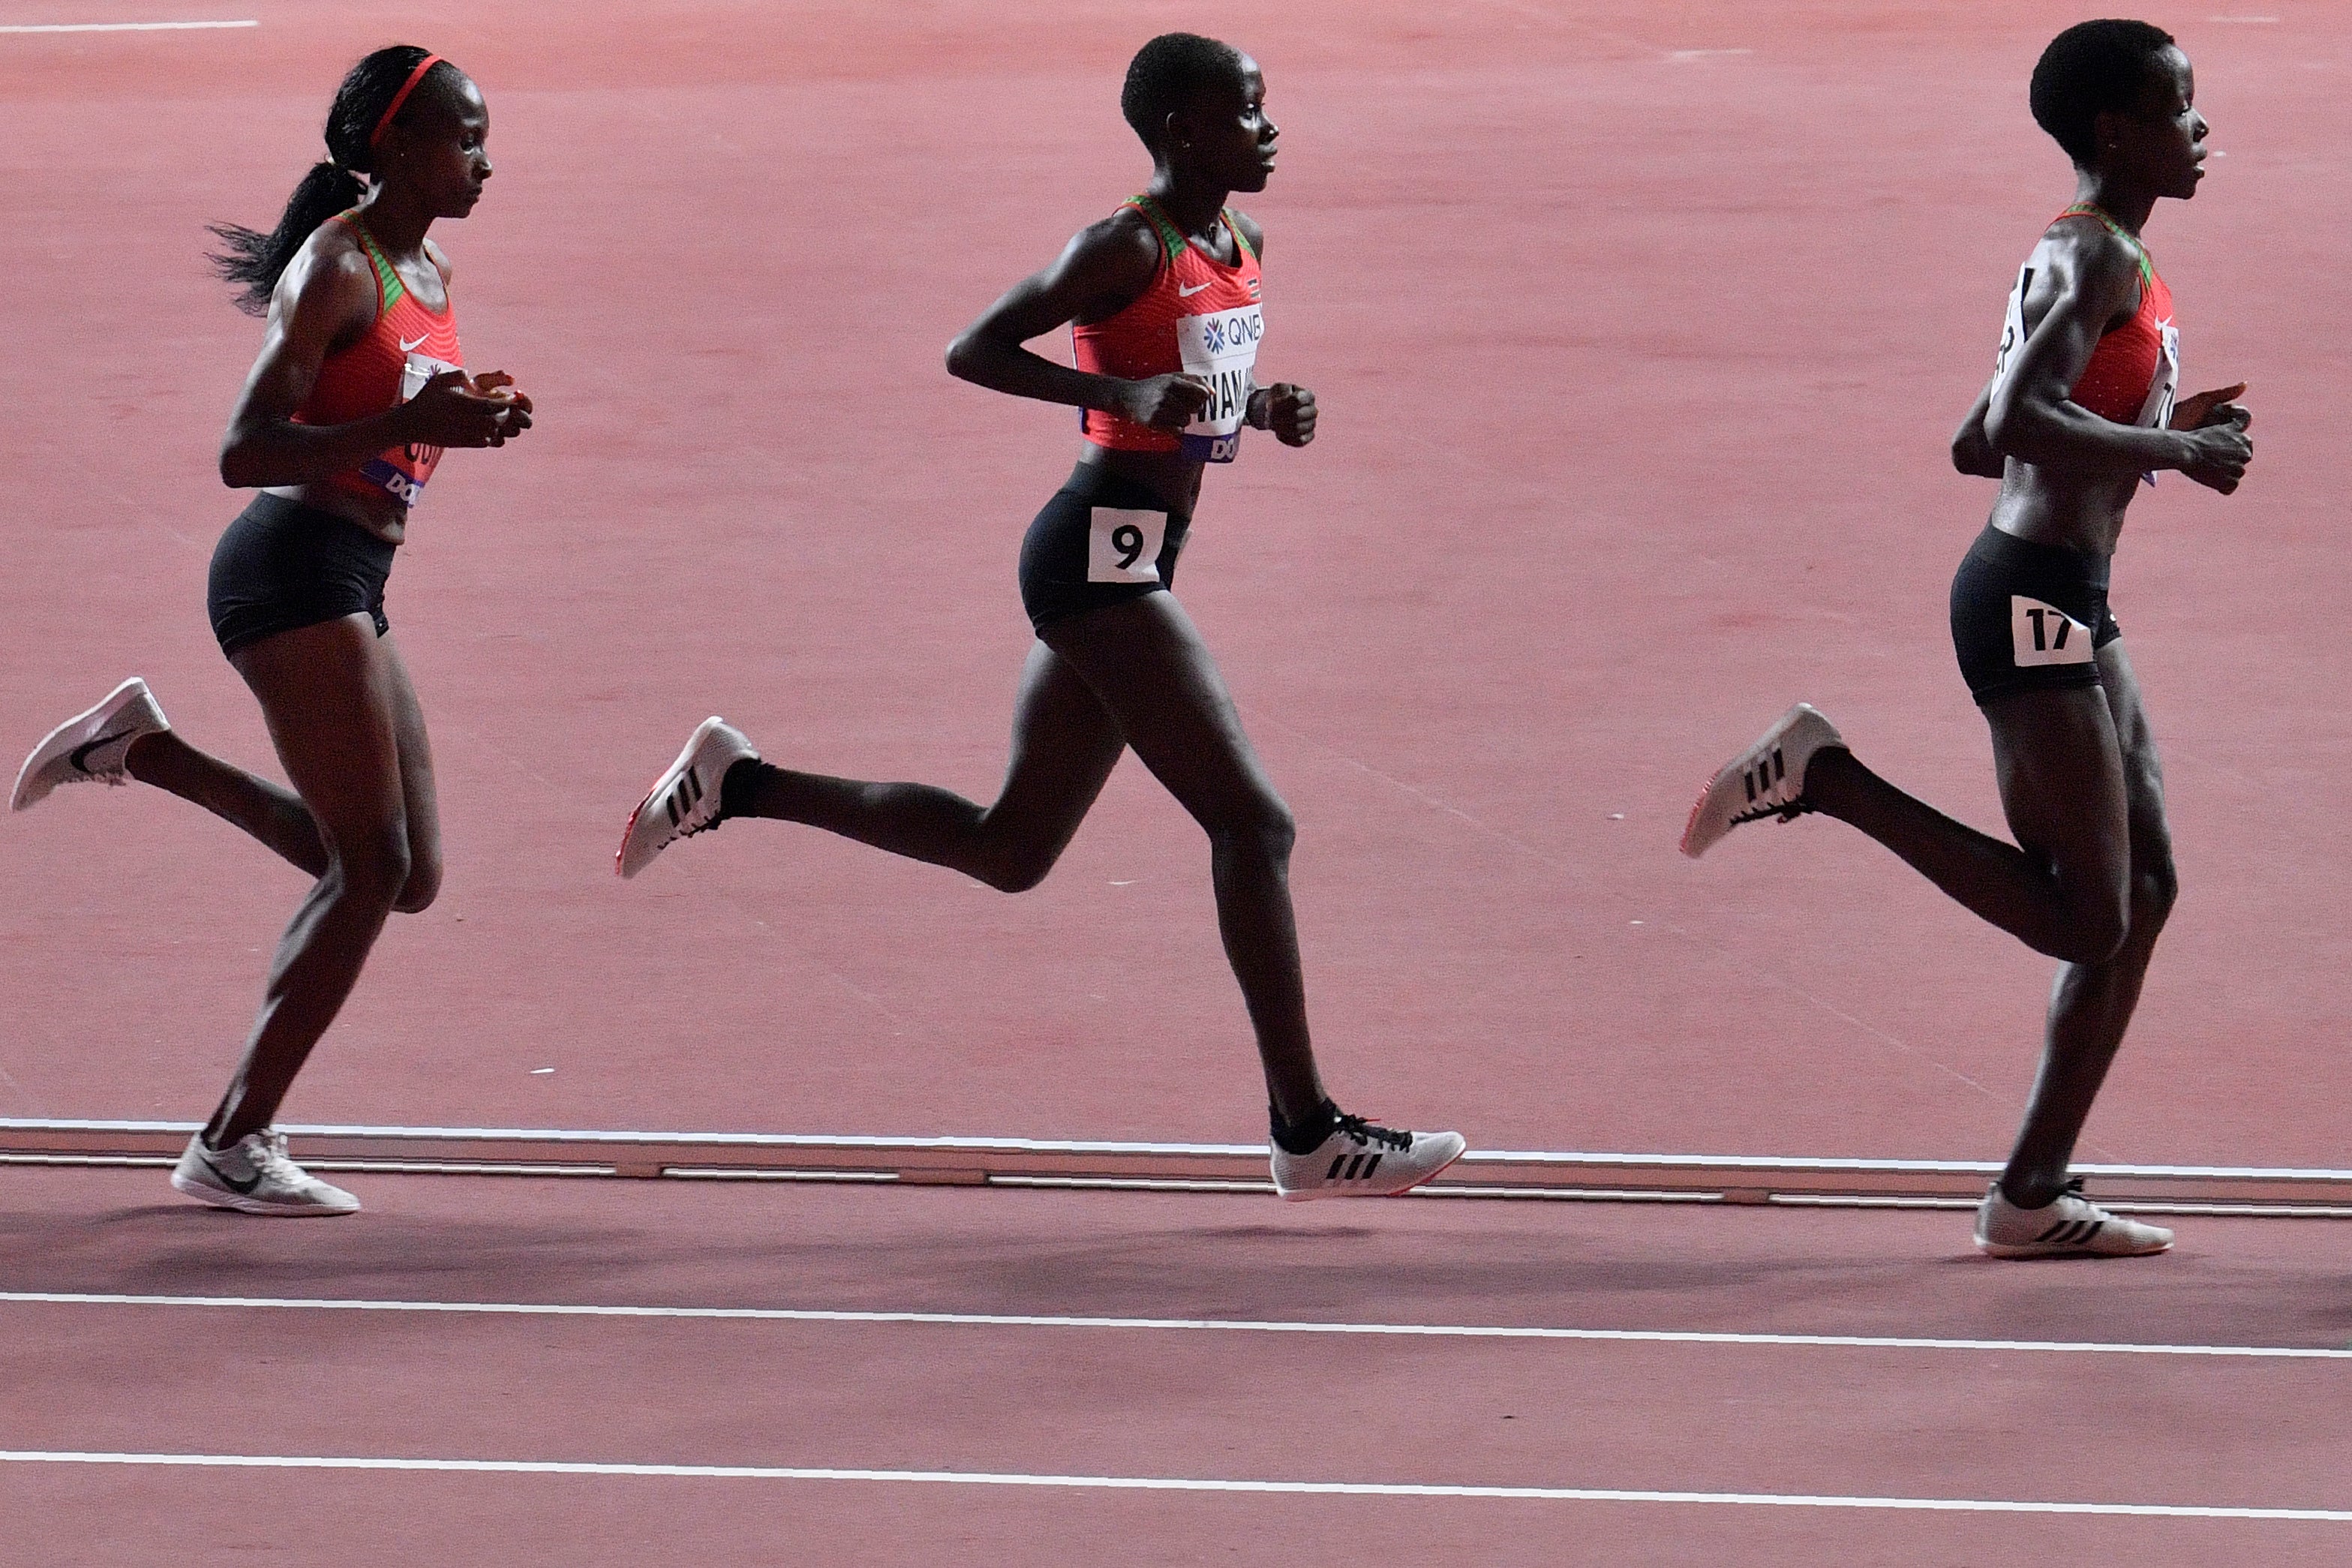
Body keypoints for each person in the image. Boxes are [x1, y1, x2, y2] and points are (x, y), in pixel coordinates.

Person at [617, 32, 1463, 1198]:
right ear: (1179, 129)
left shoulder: (1241, 239)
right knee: (1255, 828)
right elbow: (976, 349)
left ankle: (739, 783)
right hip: (1093, 560)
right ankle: (1305, 1129)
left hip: (1137, 558)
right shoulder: (1121, 243)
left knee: (1010, 848)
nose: (1271, 130)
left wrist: (1261, 405)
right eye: (1247, 113)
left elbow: (1193, 381)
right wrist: (1106, 393)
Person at [1682, 21, 2251, 1258]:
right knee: (2085, 919)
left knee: (2146, 891)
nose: (2200, 130)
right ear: (2115, 129)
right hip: (2026, 597)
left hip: (2071, 596)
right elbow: (2016, 417)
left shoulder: (2119, 260)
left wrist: (2159, 415)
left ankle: (2032, 1193)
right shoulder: (2085, 251)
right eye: (2179, 107)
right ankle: (1823, 776)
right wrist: (2177, 451)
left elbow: (1974, 441)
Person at [10, 46, 530, 1215]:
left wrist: (470, 414)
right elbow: (244, 448)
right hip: (289, 569)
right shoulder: (335, 269)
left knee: (407, 874)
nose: (487, 163)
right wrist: (411, 415)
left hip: (354, 567)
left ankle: (145, 751)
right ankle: (231, 1142)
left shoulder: (424, 263)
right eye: (468, 140)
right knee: (374, 865)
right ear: (396, 149)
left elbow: (393, 416)